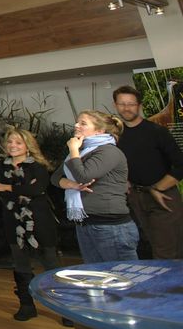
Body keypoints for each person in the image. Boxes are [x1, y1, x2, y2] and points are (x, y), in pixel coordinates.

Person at [0, 127, 58, 320]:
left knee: (50, 262)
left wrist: (8, 186)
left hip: (40, 220)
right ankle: (27, 305)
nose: (13, 146)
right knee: (20, 263)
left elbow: (37, 189)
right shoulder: (1, 166)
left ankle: (63, 306)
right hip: (12, 220)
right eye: (10, 142)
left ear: (28, 146)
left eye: (18, 142)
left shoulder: (37, 166)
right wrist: (20, 189)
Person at [55, 110, 139, 262]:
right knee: (97, 276)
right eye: (77, 121)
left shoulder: (108, 151)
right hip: (86, 223)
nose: (76, 125)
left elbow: (84, 175)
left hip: (110, 226)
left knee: (122, 276)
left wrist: (73, 149)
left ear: (100, 130)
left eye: (83, 123)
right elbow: (55, 178)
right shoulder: (81, 152)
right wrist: (72, 185)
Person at [112, 85, 183, 259]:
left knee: (166, 250)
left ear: (139, 106)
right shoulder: (115, 136)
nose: (126, 108)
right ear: (115, 105)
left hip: (164, 195)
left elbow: (180, 164)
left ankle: (169, 286)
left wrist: (158, 189)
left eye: (131, 104)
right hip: (135, 196)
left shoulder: (156, 131)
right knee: (152, 245)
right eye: (122, 104)